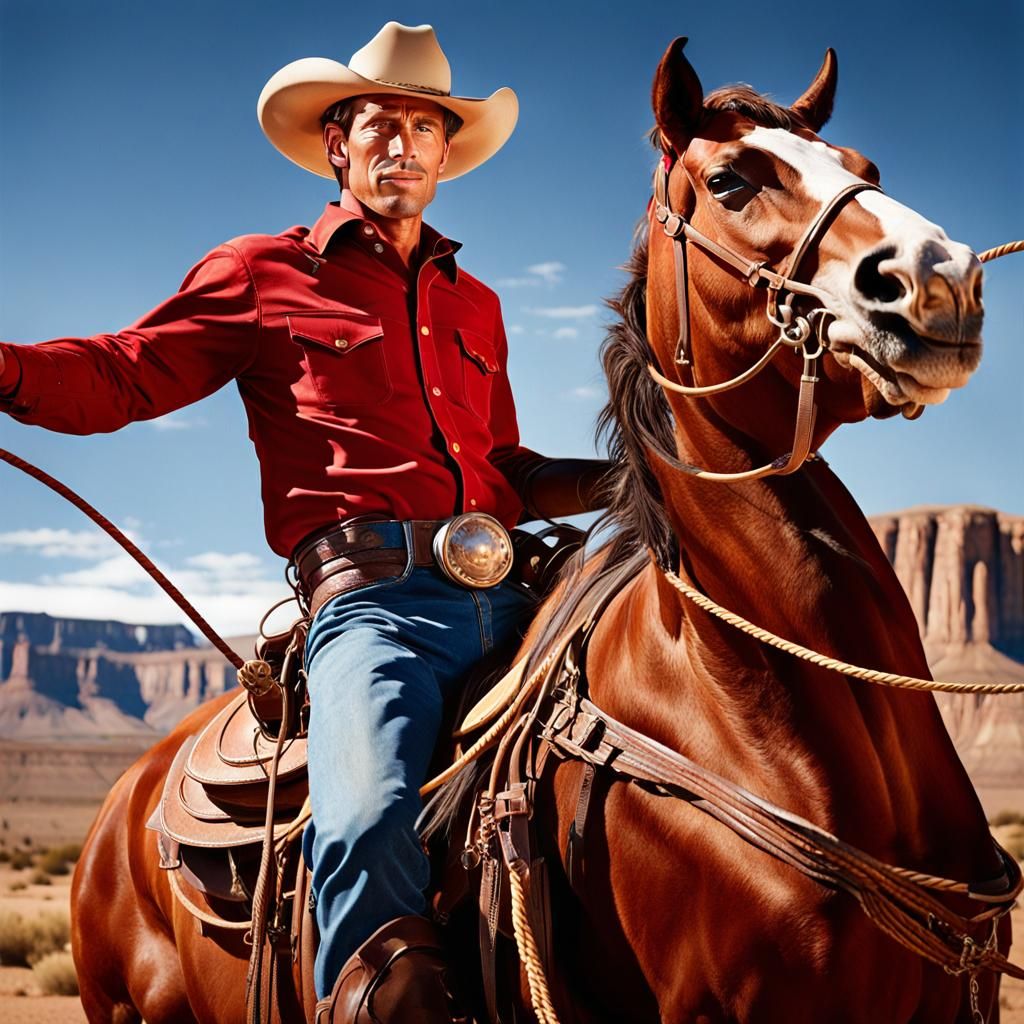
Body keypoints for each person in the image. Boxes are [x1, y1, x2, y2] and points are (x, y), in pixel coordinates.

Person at [0, 21, 607, 1023]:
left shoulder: (480, 305)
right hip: (377, 610)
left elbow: (505, 467)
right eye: (379, 125)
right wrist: (11, 369)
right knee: (367, 819)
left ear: (448, 152)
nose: (402, 145)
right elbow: (124, 371)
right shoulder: (260, 272)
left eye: (424, 126)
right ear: (337, 144)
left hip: (522, 593)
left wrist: (635, 474)